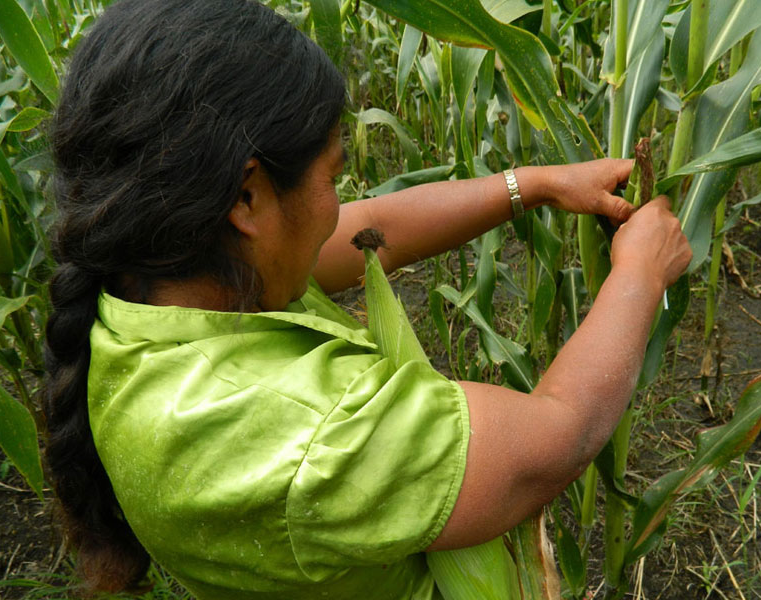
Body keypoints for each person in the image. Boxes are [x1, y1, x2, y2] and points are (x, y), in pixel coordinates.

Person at [41, 0, 692, 598]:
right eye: (331, 176)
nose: (336, 208)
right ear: (246, 199)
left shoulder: (155, 286)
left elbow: (369, 231)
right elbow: (555, 440)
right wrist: (640, 273)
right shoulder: (301, 435)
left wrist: (536, 185)